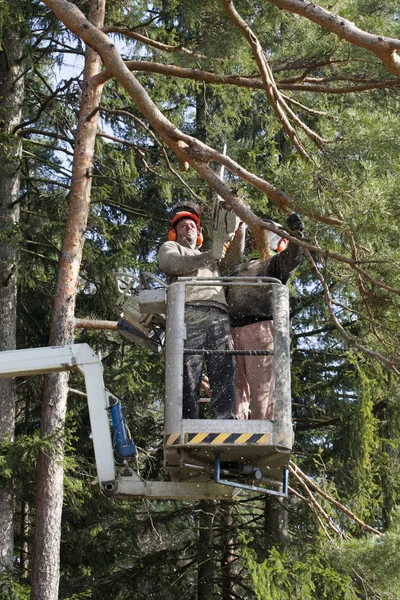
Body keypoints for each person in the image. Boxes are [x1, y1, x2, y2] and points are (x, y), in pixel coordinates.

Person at [158, 201, 244, 419]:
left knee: (224, 367)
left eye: (193, 226)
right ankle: (187, 420)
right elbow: (172, 264)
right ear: (173, 232)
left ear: (199, 233)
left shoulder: (213, 256)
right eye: (183, 225)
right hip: (187, 312)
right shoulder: (171, 248)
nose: (189, 227)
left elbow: (233, 255)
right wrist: (209, 256)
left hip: (218, 313)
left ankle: (223, 418)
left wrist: (238, 229)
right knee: (188, 369)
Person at [227, 212, 304, 420]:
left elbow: (293, 258)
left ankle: (261, 432)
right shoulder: (241, 268)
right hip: (232, 330)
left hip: (260, 328)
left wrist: (296, 235)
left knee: (261, 388)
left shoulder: (276, 263)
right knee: (234, 388)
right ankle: (236, 429)